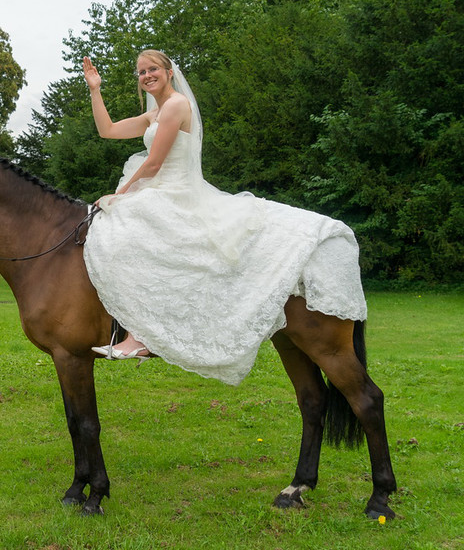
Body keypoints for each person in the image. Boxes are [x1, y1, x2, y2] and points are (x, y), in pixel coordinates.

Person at [82, 50, 367, 385]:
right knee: (120, 234)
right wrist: (95, 89)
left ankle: (141, 336)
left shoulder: (175, 106)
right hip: (156, 188)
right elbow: (108, 130)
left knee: (127, 231)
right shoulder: (154, 114)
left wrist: (121, 194)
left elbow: (155, 163)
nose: (147, 75)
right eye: (141, 72)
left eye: (153, 69)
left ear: (169, 72)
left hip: (175, 190)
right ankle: (138, 331)